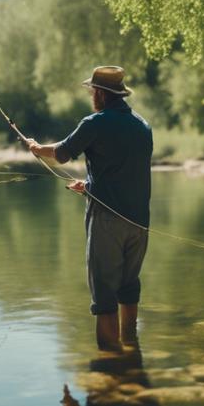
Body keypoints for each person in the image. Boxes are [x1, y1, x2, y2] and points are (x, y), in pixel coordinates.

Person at [26, 66, 152, 352]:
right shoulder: (143, 125)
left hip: (108, 223)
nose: (91, 96)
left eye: (92, 91)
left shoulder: (94, 122)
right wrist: (91, 185)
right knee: (129, 285)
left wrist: (36, 148)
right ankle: (130, 348)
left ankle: (109, 365)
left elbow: (60, 154)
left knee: (104, 295)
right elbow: (125, 171)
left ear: (100, 93)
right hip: (140, 224)